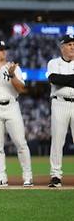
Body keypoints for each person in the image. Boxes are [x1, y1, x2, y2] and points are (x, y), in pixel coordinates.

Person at [0, 40, 33, 187]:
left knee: (21, 143)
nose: (3, 52)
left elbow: (21, 89)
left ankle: (27, 176)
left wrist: (12, 75)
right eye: (0, 50)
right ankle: (1, 177)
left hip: (12, 106)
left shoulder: (13, 67)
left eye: (4, 49)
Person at [45, 34, 74, 188]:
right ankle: (56, 175)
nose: (72, 47)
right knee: (57, 141)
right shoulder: (53, 63)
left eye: (73, 44)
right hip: (59, 103)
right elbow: (54, 79)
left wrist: (64, 79)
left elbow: (60, 80)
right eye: (69, 44)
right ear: (62, 47)